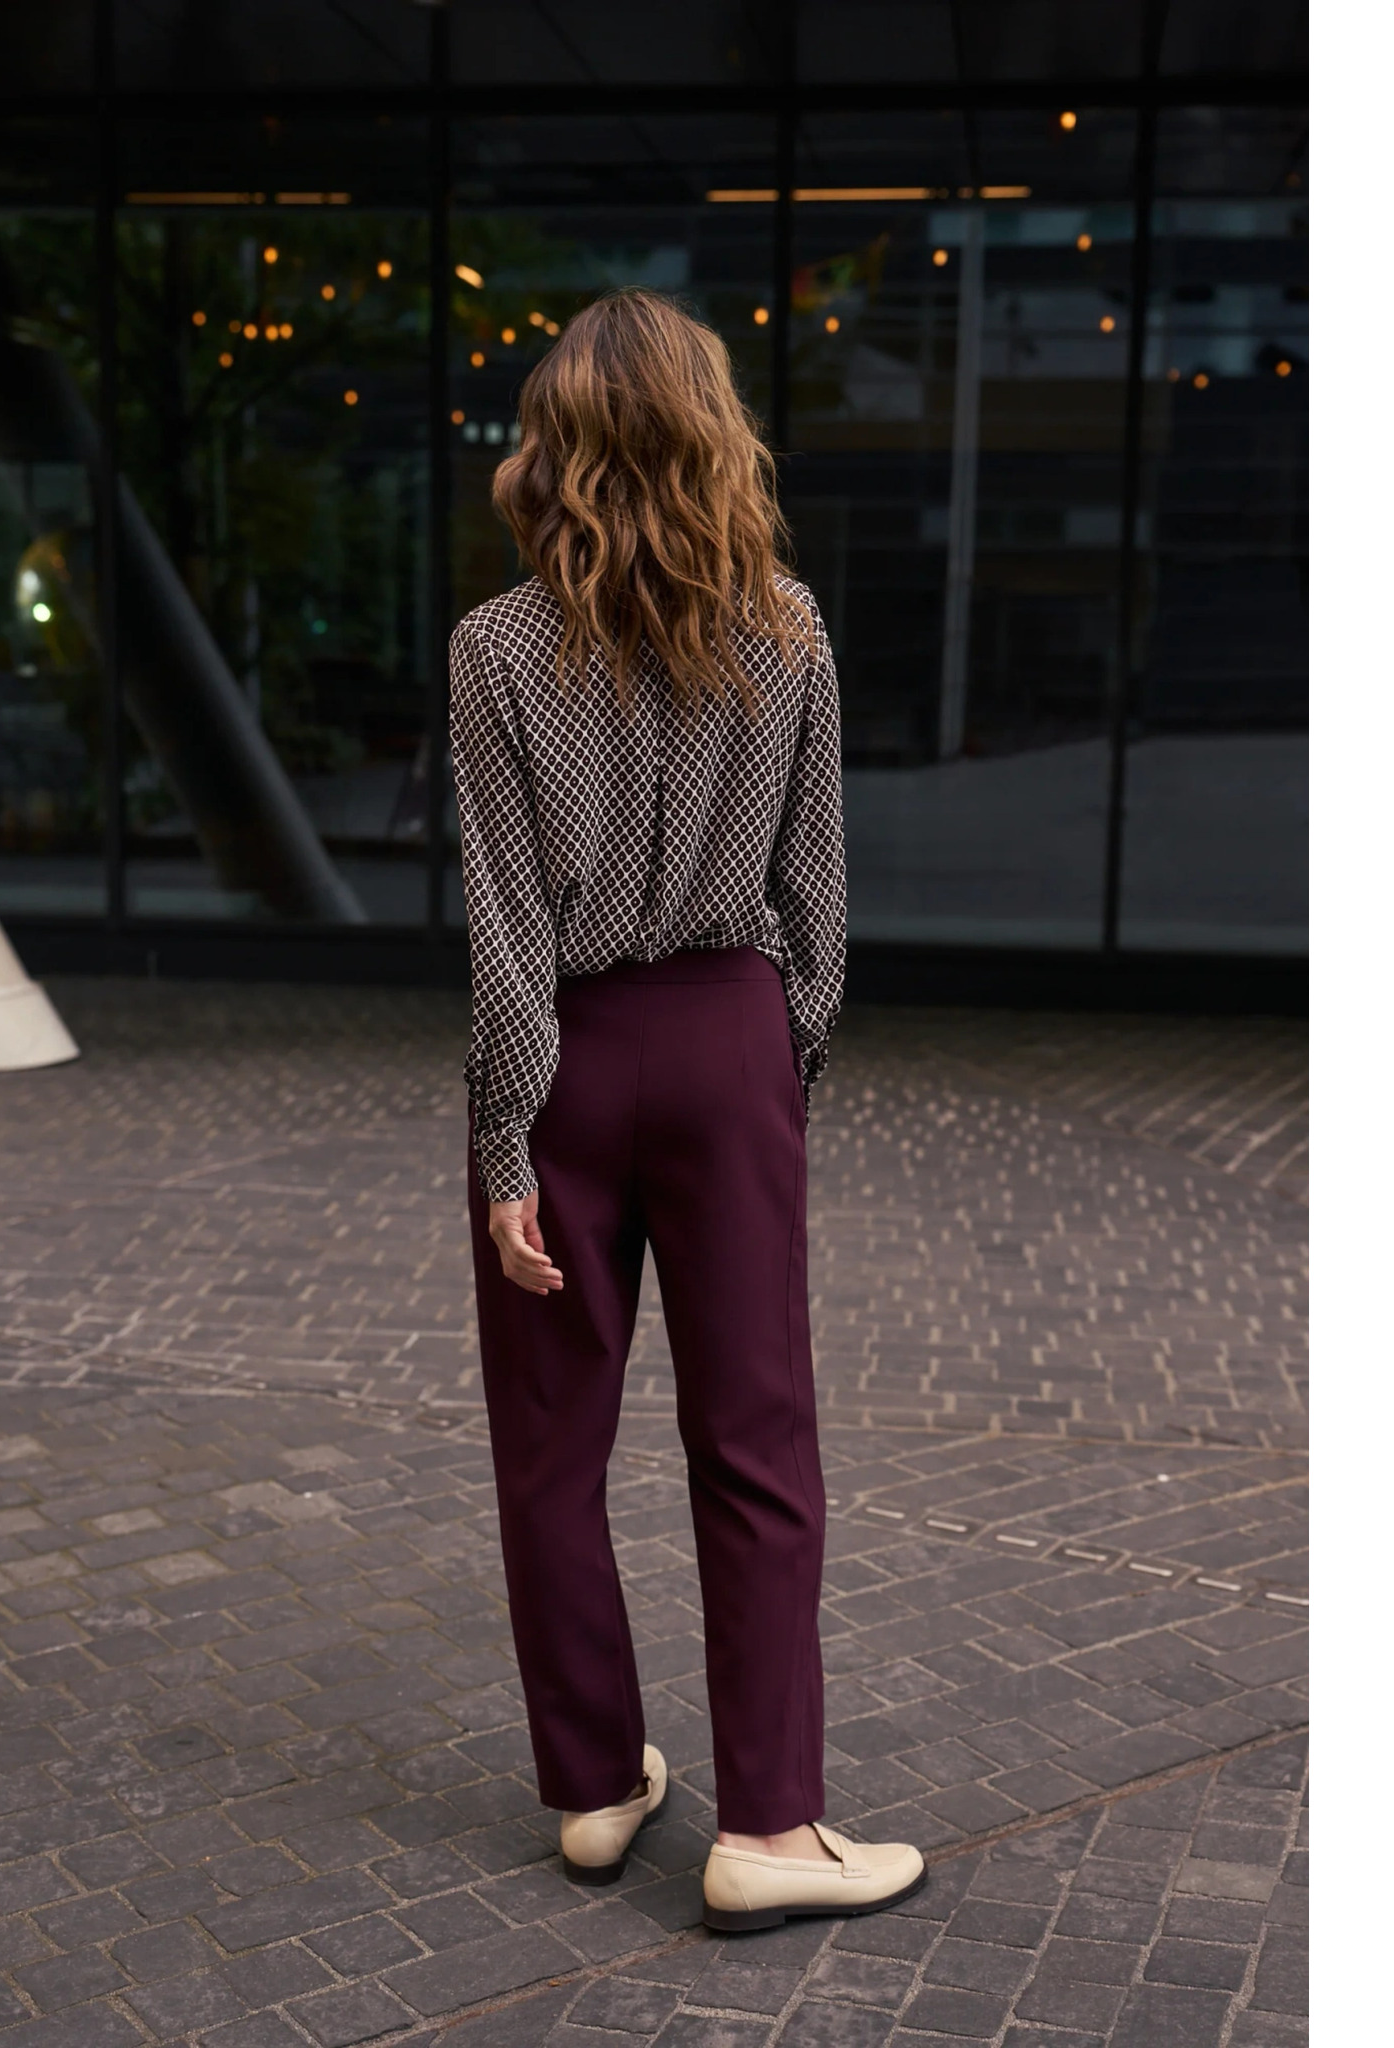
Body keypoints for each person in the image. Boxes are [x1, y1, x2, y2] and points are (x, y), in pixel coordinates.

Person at [448, 289, 926, 1933]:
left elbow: (506, 916)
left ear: (558, 446)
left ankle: (595, 1789)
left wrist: (508, 1140)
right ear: (712, 432)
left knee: (549, 1447)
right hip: (727, 1046)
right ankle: (769, 1828)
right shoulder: (789, 628)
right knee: (757, 1440)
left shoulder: (495, 648)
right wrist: (777, 1064)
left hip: (566, 1052)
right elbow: (817, 897)